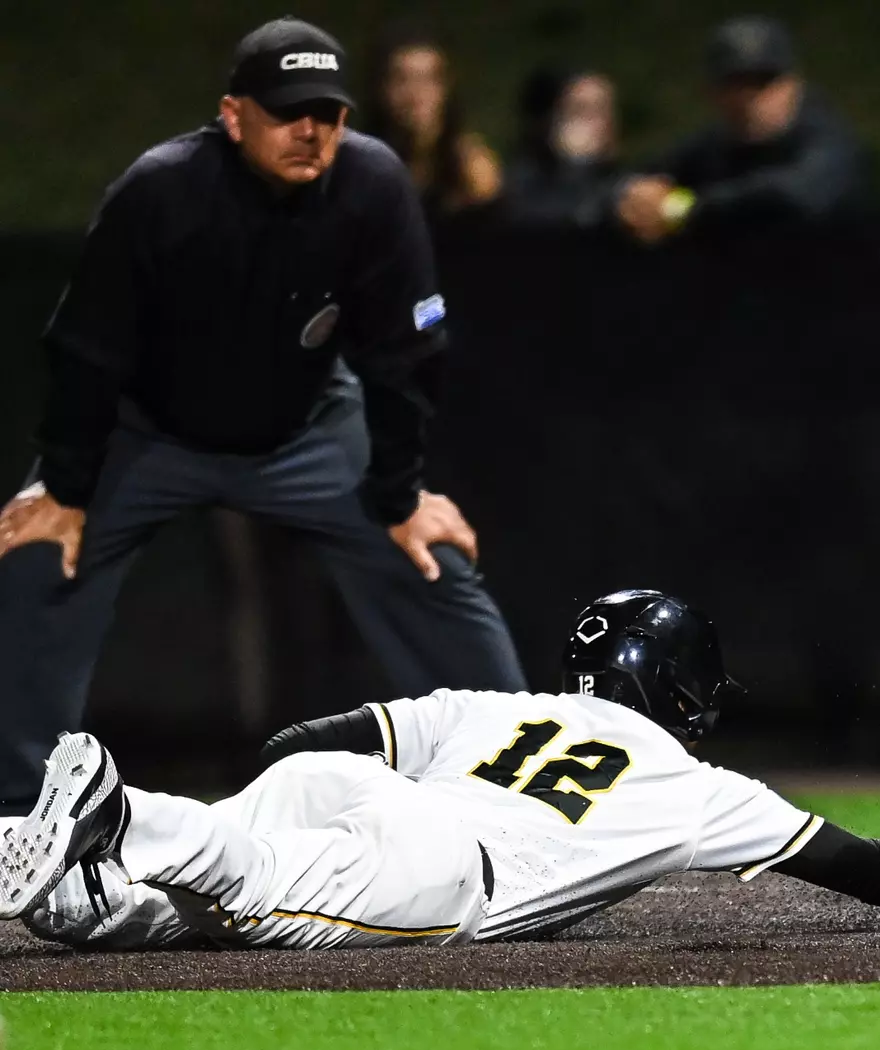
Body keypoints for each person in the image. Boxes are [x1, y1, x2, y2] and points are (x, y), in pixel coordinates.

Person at [0, 17, 527, 816]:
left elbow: (404, 351)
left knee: (430, 561)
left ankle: (519, 794)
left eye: (328, 112)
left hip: (306, 431)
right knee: (38, 562)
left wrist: (401, 492)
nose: (310, 129)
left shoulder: (372, 183)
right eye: (287, 111)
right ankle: (18, 817)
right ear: (233, 114)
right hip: (146, 435)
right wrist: (66, 487)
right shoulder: (161, 188)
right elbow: (88, 347)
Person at [0, 590, 880, 949]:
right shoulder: (693, 780)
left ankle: (84, 881)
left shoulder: (499, 704)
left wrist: (298, 790)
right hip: (449, 870)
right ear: (677, 686)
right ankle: (121, 808)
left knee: (223, 890)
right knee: (251, 885)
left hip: (371, 791)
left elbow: (306, 743)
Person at [614, 15, 866, 244]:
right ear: (712, 93)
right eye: (734, 84)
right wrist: (632, 198)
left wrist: (680, 209)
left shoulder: (829, 139)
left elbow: (791, 198)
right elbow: (631, 181)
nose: (749, 98)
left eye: (763, 82)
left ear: (792, 85)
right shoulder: (714, 144)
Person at [361, 27, 502, 217]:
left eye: (428, 80)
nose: (416, 95)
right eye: (402, 80)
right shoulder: (359, 165)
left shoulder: (470, 167)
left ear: (445, 88)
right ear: (381, 88)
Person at [504, 66, 623, 228]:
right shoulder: (521, 185)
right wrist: (576, 166)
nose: (603, 123)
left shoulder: (621, 183)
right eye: (581, 110)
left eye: (605, 108)